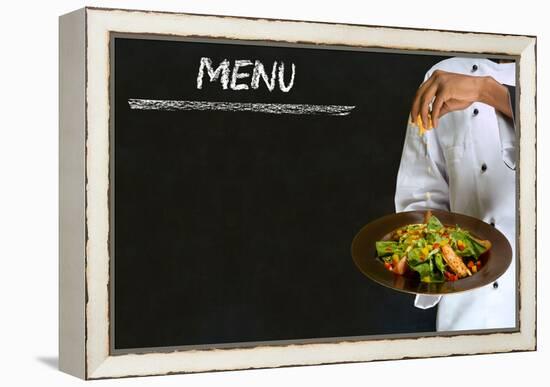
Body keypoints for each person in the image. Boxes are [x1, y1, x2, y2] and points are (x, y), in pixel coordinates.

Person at [394, 57, 517, 331]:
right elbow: (420, 195)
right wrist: (431, 255)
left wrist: (485, 91)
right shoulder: (443, 76)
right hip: (466, 312)